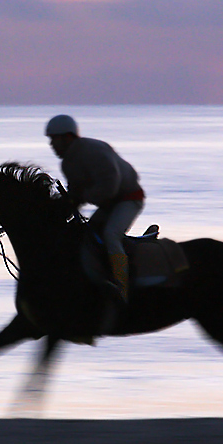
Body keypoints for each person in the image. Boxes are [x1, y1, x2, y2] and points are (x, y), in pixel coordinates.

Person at [45, 114, 145, 303]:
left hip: (129, 200)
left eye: (54, 140)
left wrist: (81, 197)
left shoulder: (93, 150)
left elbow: (111, 185)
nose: (51, 145)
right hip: (110, 204)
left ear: (67, 137)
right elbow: (76, 193)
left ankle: (122, 288)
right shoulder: (67, 164)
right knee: (88, 234)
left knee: (110, 235)